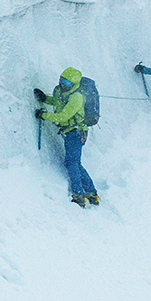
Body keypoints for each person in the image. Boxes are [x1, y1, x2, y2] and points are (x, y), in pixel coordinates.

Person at [34, 67, 99, 207]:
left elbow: (63, 115)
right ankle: (91, 193)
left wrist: (44, 115)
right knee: (75, 163)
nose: (63, 84)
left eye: (67, 83)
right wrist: (45, 98)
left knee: (71, 163)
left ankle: (79, 195)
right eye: (62, 80)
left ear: (74, 84)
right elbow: (58, 102)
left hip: (76, 133)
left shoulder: (77, 97)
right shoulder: (60, 91)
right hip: (70, 132)